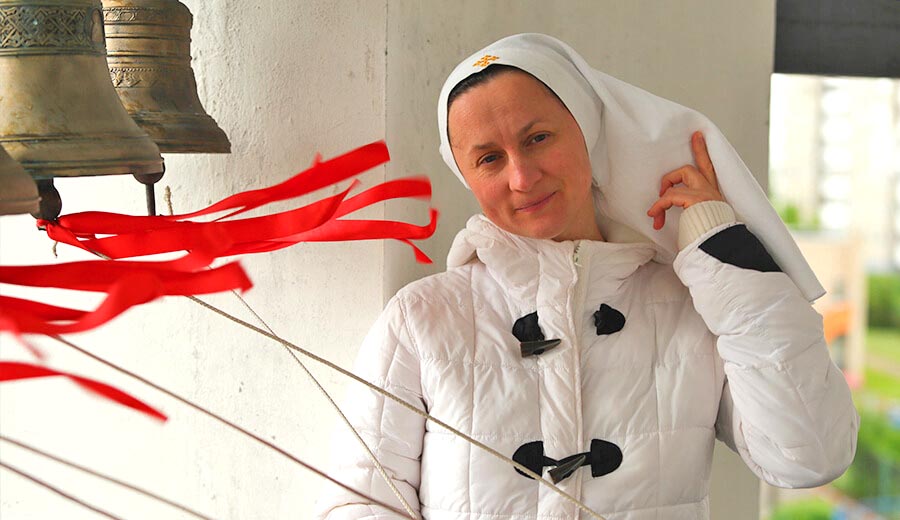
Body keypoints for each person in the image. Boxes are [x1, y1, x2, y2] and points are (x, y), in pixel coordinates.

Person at [316, 33, 858, 520]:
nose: (522, 177)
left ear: (586, 129)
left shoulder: (696, 306)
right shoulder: (419, 317)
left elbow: (809, 452)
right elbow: (357, 500)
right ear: (466, 174)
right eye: (488, 158)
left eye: (537, 139)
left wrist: (720, 248)